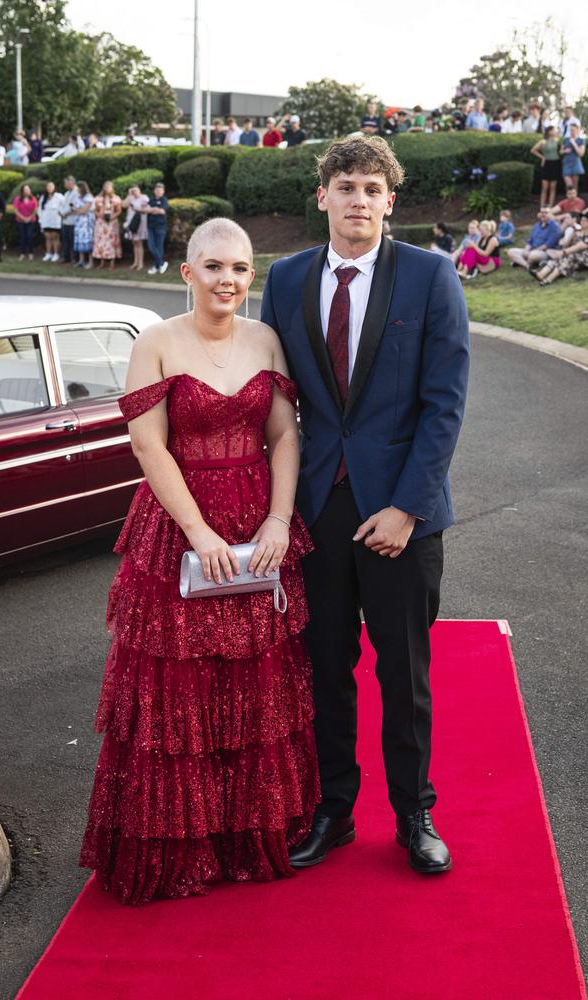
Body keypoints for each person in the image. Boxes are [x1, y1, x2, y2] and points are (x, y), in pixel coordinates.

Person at [79, 216, 320, 902]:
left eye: (240, 269)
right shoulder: (155, 342)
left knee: (254, 681)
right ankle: (184, 850)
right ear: (188, 272)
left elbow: (284, 435)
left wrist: (277, 518)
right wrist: (200, 534)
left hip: (258, 521)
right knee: (176, 685)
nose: (228, 281)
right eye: (214, 267)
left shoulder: (265, 338)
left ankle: (247, 835)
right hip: (181, 528)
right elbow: (149, 446)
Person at [261, 135, 469, 875]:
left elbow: (444, 404)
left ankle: (414, 814)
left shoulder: (430, 276)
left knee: (403, 672)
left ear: (390, 199)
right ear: (323, 196)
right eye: (345, 186)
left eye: (372, 188)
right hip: (318, 508)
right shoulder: (284, 280)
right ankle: (333, 811)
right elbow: (272, 398)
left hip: (403, 516)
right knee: (325, 668)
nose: (358, 200)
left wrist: (409, 508)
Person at [534, 210, 588, 284]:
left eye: (585, 221)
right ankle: (541, 274)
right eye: (582, 220)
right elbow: (566, 245)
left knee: (568, 256)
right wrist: (573, 233)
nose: (582, 222)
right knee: (562, 257)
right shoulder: (578, 231)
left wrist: (563, 252)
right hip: (575, 255)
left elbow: (580, 246)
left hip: (585, 257)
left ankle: (549, 279)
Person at [93, 180, 122, 270]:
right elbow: (95, 210)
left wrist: (112, 216)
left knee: (111, 241)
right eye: (105, 187)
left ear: (112, 188)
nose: (107, 189)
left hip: (111, 222)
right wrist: (100, 216)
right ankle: (102, 262)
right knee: (101, 242)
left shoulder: (116, 198)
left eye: (109, 187)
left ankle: (112, 262)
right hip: (101, 223)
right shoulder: (98, 198)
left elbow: (119, 210)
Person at [531, 126, 561, 208]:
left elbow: (560, 152)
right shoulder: (543, 141)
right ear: (549, 132)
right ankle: (542, 206)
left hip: (555, 163)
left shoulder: (557, 141)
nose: (556, 131)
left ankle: (550, 206)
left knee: (553, 187)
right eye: (554, 130)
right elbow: (533, 150)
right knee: (545, 187)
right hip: (547, 164)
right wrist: (542, 157)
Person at [122, 184, 149, 271]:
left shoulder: (144, 197)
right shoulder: (131, 198)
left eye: (136, 190)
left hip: (139, 223)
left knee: (139, 243)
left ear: (139, 190)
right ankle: (135, 262)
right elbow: (123, 205)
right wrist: (129, 195)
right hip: (131, 223)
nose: (135, 192)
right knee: (134, 243)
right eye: (133, 191)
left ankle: (140, 263)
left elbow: (146, 207)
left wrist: (136, 207)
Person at [37, 181, 64, 262]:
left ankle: (56, 254)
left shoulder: (59, 196)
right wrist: (41, 220)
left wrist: (61, 213)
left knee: (55, 237)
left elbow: (64, 205)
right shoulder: (43, 197)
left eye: (51, 186)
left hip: (55, 221)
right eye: (48, 186)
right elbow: (40, 210)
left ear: (54, 187)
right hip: (46, 221)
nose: (49, 188)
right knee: (48, 237)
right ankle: (48, 253)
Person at [146, 181, 169, 275]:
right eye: (157, 190)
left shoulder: (164, 200)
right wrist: (154, 209)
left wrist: (152, 210)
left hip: (160, 226)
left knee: (159, 247)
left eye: (160, 190)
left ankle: (156, 266)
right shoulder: (151, 200)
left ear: (163, 191)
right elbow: (146, 210)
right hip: (150, 226)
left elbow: (162, 211)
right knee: (151, 246)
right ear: (154, 191)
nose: (158, 191)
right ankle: (162, 263)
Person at [71, 180, 95, 268]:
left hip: (87, 223)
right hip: (78, 222)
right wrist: (76, 209)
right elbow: (73, 207)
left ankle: (91, 262)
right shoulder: (78, 197)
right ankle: (81, 260)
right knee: (79, 241)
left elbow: (84, 210)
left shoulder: (89, 197)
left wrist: (77, 210)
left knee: (88, 241)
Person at [12, 183, 38, 261]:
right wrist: (23, 218)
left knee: (29, 236)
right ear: (22, 191)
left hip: (31, 220)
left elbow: (35, 210)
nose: (27, 191)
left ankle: (31, 253)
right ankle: (22, 253)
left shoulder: (33, 198)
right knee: (22, 237)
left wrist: (29, 218)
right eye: (25, 189)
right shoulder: (17, 199)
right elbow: (16, 210)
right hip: (20, 220)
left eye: (28, 189)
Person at [560, 122, 585, 193]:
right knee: (569, 185)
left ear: (577, 130)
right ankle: (568, 202)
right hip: (566, 163)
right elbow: (560, 152)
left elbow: (581, 154)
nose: (571, 131)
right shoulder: (566, 139)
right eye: (570, 130)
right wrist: (565, 151)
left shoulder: (581, 140)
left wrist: (574, 143)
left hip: (575, 163)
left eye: (573, 130)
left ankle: (575, 202)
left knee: (574, 185)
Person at [59, 175, 78, 264]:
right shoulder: (66, 193)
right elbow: (63, 205)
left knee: (73, 240)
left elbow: (73, 206)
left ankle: (75, 258)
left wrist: (64, 213)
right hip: (65, 220)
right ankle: (66, 257)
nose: (65, 185)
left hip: (73, 220)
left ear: (71, 182)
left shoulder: (76, 192)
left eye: (66, 183)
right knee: (65, 240)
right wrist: (61, 213)